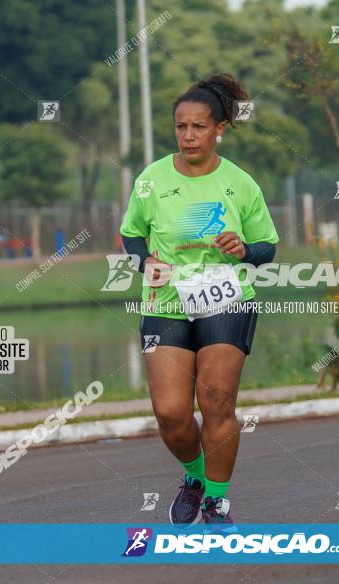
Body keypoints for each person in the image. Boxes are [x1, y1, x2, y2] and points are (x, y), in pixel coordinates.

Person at [119, 72, 279, 529]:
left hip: (226, 299)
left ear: (219, 130)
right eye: (181, 127)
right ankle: (194, 478)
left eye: (198, 127)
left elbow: (267, 247)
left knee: (217, 402)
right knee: (170, 414)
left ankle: (217, 502)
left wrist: (244, 249)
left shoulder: (240, 183)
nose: (188, 135)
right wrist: (144, 260)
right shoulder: (151, 180)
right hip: (166, 301)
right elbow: (131, 233)